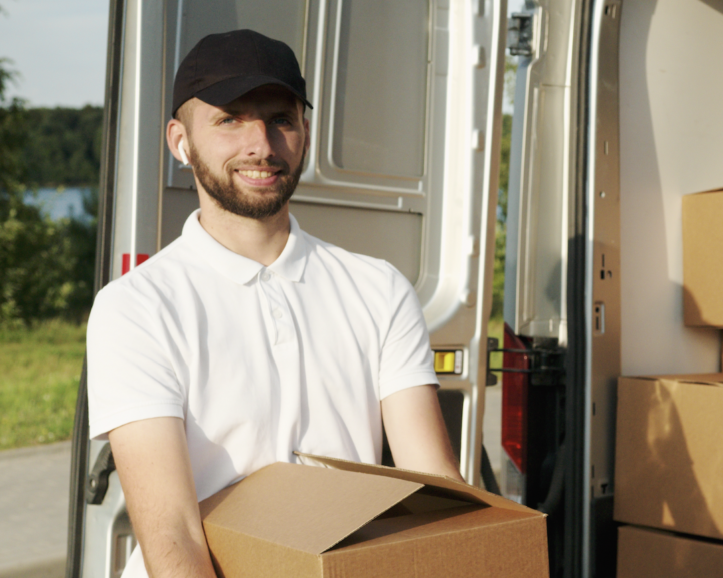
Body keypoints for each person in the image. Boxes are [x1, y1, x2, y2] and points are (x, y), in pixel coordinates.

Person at [86, 29, 462, 578]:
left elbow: (435, 485)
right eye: (229, 119)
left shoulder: (379, 289)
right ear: (179, 141)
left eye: (280, 119)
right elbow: (172, 531)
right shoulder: (137, 307)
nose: (261, 144)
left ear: (305, 132)